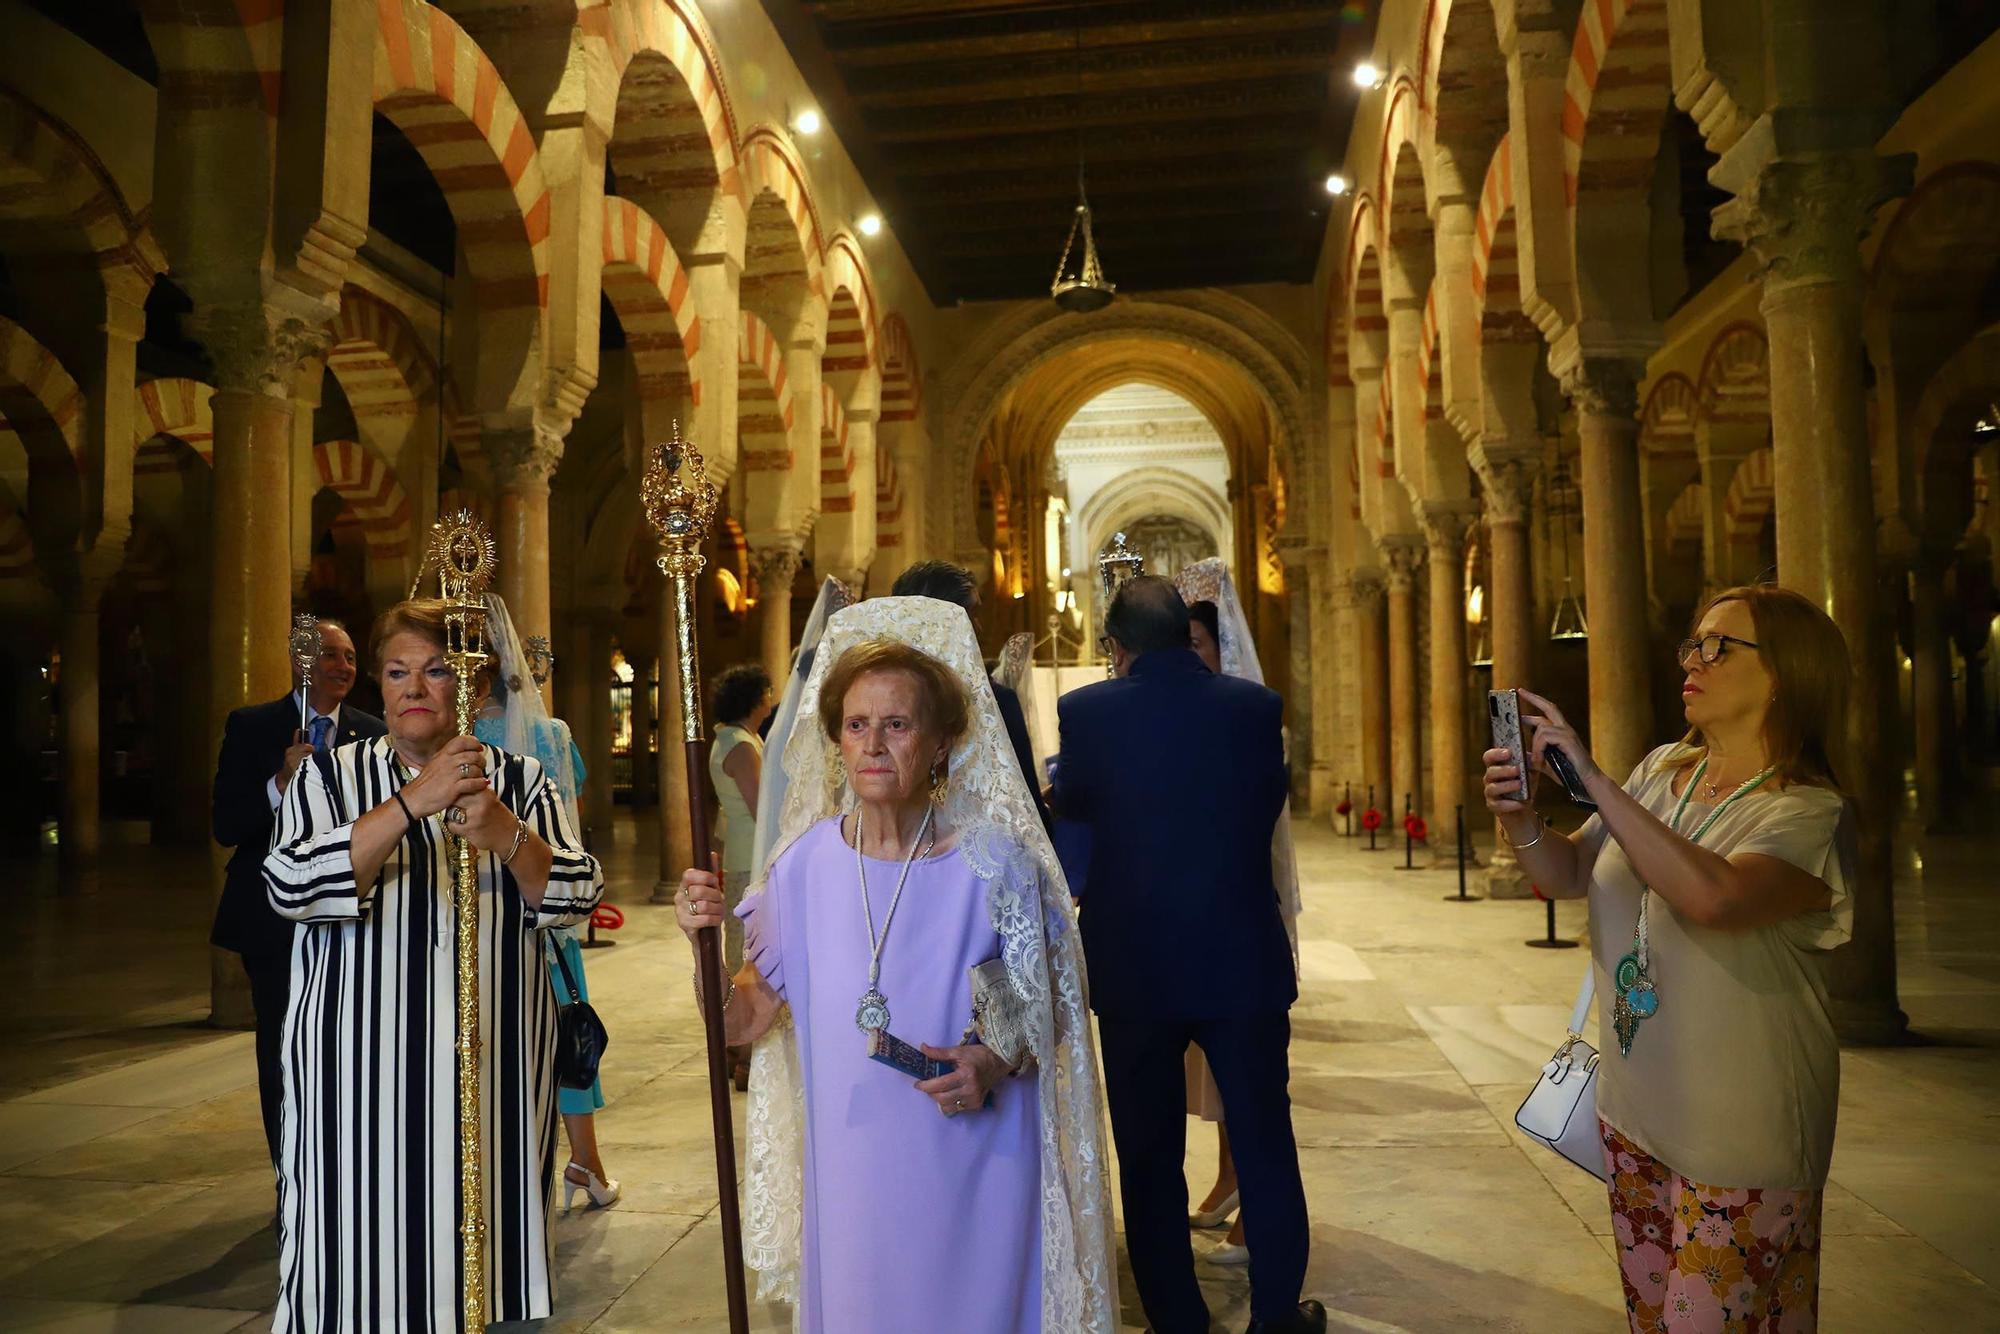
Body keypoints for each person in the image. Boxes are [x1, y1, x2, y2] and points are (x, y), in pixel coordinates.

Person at [673, 597, 1116, 1333]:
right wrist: (704, 949)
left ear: (941, 744)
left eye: (897, 724)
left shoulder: (995, 865)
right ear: (837, 743)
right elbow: (741, 1020)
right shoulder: (801, 868)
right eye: (856, 725)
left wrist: (989, 1062)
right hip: (854, 1180)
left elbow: (1036, 1013)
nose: (873, 744)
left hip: (976, 1165)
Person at [1482, 584, 1854, 1334]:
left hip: (1739, 1137)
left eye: (1721, 646)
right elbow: (1567, 875)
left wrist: (1594, 781)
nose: (1695, 659)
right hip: (1635, 1116)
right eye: (1694, 642)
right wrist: (1522, 818)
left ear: (1785, 673)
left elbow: (1715, 897)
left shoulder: (1805, 809)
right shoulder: (1660, 772)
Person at [262, 598, 604, 1331]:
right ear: (377, 687)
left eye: (438, 670)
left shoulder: (521, 784)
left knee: (487, 1264)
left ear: (475, 688)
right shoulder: (325, 781)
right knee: (362, 1260)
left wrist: (509, 836)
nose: (415, 688)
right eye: (397, 672)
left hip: (494, 1075)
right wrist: (410, 803)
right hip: (358, 1087)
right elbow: (289, 885)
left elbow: (577, 897)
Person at [1051, 575, 1323, 1334]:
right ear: (1187, 634)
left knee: (1148, 1152)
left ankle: (1177, 1318)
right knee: (1266, 1143)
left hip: (1136, 964)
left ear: (1117, 648)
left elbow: (1076, 814)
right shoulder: (1253, 707)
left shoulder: (1087, 713)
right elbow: (1263, 807)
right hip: (1241, 959)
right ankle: (1276, 1317)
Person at [210, 618, 384, 1176]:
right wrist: (278, 786)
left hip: (352, 917)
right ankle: (290, 1170)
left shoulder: (372, 732)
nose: (344, 667)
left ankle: (341, 1166)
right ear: (299, 660)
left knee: (347, 1044)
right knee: (280, 1044)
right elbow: (227, 824)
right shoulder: (252, 726)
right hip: (272, 918)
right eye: (331, 655)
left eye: (352, 657)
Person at [1174, 563, 1307, 1270]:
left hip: (1235, 920)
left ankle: (1257, 1211)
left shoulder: (1249, 716)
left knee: (1251, 1083)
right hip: (1196, 926)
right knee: (1215, 1072)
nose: (1189, 659)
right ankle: (1228, 1179)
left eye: (1199, 645)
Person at [471, 594, 616, 1211]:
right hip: (543, 903)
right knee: (569, 1029)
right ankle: (585, 1160)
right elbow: (570, 819)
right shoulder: (548, 735)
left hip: (472, 911)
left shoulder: (450, 740)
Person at [889, 559, 1050, 831]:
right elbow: (1029, 815)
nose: (979, 629)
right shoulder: (995, 702)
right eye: (971, 615)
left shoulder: (870, 698)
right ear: (941, 622)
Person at [708, 661, 775, 971]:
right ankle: (740, 1001)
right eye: (767, 692)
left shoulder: (737, 737)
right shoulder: (739, 745)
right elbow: (758, 805)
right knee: (746, 930)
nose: (771, 697)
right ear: (753, 699)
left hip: (743, 847)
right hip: (750, 850)